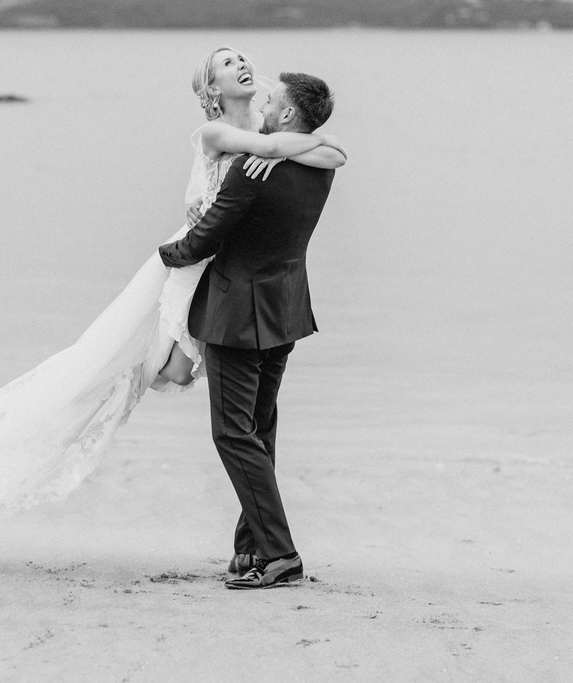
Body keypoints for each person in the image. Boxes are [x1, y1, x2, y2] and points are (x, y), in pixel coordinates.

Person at [0, 49, 346, 526]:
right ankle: (93, 395)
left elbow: (334, 152)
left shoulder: (266, 137)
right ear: (212, 89)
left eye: (241, 57)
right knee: (139, 365)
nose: (241, 63)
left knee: (189, 382)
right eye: (225, 63)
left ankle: (253, 537)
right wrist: (289, 145)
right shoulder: (217, 133)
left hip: (225, 269)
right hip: (193, 258)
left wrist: (286, 143)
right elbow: (296, 153)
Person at [159, 71, 338, 589]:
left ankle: (281, 555)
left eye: (273, 102)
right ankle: (251, 550)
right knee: (258, 430)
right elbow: (327, 149)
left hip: (237, 317)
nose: (264, 103)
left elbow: (204, 240)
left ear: (284, 116)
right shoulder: (320, 167)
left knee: (232, 433)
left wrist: (165, 256)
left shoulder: (252, 170)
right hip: (285, 311)